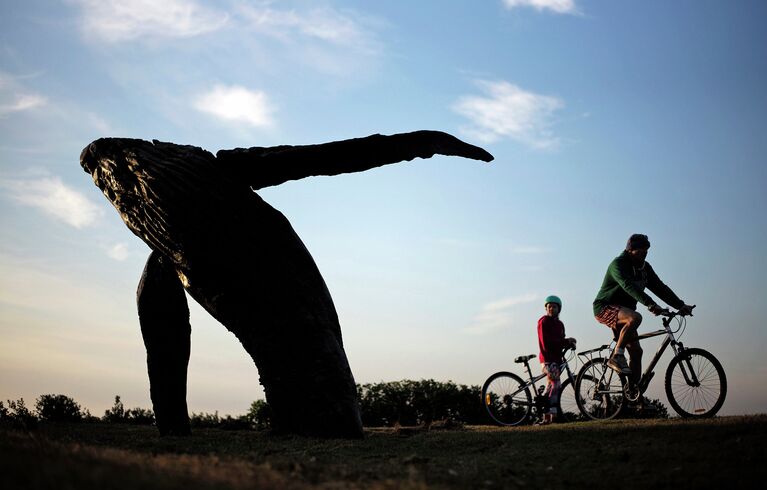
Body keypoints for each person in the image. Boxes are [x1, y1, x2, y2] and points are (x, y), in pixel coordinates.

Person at [593, 234, 694, 391]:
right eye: (641, 251)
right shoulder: (618, 264)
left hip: (624, 313)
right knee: (635, 318)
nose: (644, 255)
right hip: (605, 307)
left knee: (637, 352)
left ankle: (634, 395)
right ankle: (617, 356)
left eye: (646, 251)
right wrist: (650, 304)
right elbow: (628, 285)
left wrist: (680, 305)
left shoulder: (645, 269)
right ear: (630, 250)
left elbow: (660, 288)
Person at [537, 295, 577, 425]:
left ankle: (546, 418)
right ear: (546, 308)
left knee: (550, 387)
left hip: (557, 359)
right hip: (548, 359)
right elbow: (546, 343)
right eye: (549, 306)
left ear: (559, 309)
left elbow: (560, 341)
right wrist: (565, 341)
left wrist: (568, 343)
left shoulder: (560, 324)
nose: (551, 309)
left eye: (554, 307)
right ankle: (553, 414)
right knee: (556, 384)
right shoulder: (543, 321)